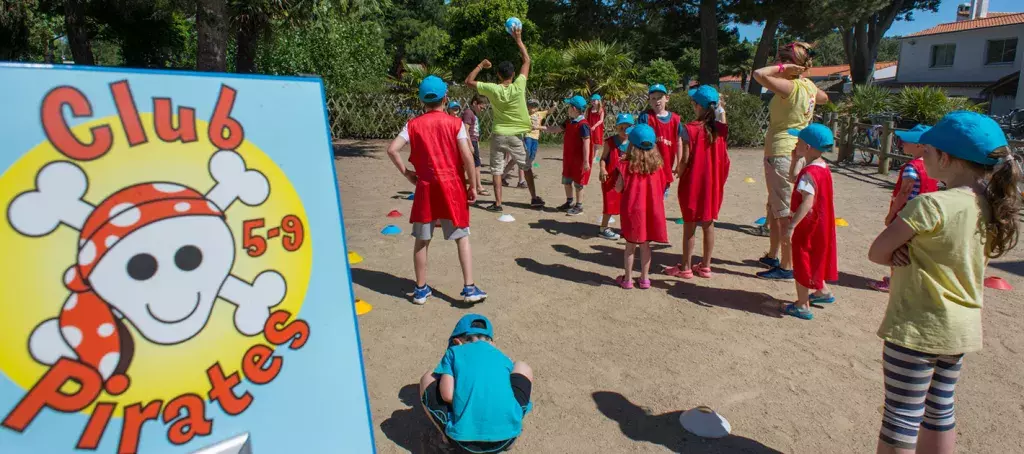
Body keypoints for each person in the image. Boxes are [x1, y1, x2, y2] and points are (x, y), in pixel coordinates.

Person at [867, 111, 1022, 454]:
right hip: (959, 330)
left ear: (946, 158)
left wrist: (899, 250)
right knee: (940, 410)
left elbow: (877, 252)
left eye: (928, 151)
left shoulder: (930, 204)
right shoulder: (991, 206)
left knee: (902, 415)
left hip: (918, 326)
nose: (923, 156)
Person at [385, 75, 487, 305]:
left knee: (422, 240)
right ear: (445, 98)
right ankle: (469, 288)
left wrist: (407, 173)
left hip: (426, 188)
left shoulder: (413, 124)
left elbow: (392, 149)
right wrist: (472, 185)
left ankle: (421, 290)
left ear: (422, 100)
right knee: (462, 237)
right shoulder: (455, 123)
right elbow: (467, 156)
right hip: (452, 188)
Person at [751, 42, 830, 282]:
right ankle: (773, 255)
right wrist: (803, 77)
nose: (777, 64)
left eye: (781, 60)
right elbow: (824, 98)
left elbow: (759, 74)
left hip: (781, 152)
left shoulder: (790, 87)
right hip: (793, 151)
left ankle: (786, 266)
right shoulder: (807, 86)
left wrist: (783, 69)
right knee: (776, 207)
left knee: (783, 211)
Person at [420, 314, 534, 453]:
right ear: (492, 344)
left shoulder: (454, 352)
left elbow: (447, 395)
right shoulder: (503, 357)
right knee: (522, 367)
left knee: (428, 377)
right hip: (505, 440)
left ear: (457, 342)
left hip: (463, 443)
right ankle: (511, 428)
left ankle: (446, 438)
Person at [465, 27, 544, 212]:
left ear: (498, 75)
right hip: (516, 136)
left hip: (499, 134)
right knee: (526, 166)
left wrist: (480, 65)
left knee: (497, 169)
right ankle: (534, 198)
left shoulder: (493, 89)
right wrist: (518, 39)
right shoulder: (519, 85)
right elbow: (527, 60)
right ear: (513, 75)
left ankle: (498, 203)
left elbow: (468, 81)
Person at [666, 85, 730, 279]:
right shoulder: (720, 130)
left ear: (697, 106)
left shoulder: (690, 129)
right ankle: (706, 266)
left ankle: (686, 267)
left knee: (689, 227)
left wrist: (679, 171)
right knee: (708, 224)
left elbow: (685, 158)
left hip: (693, 184)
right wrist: (720, 110)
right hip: (712, 186)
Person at [869, 124, 940, 292]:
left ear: (919, 145)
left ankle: (895, 282)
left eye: (907, 141)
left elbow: (904, 192)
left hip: (907, 214)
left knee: (897, 248)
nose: (902, 143)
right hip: (925, 213)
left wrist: (892, 214)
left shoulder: (911, 167)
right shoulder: (931, 167)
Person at [780, 124, 837, 320]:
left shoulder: (809, 173)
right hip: (821, 223)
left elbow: (807, 201)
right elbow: (793, 178)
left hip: (808, 226)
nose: (796, 144)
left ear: (808, 147)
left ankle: (802, 304)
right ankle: (822, 291)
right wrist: (795, 159)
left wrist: (791, 226)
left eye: (799, 142)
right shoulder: (821, 167)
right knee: (816, 257)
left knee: (802, 260)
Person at [614, 124, 667, 289]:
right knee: (646, 246)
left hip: (632, 210)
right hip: (650, 211)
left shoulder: (625, 165)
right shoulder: (658, 166)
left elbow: (618, 188)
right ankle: (644, 279)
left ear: (632, 145)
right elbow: (662, 187)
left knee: (630, 247)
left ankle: (628, 280)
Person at [544, 95, 592, 216]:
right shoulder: (569, 121)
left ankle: (579, 206)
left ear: (574, 109)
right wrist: (541, 128)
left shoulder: (583, 125)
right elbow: (557, 129)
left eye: (569, 107)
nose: (568, 109)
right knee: (567, 180)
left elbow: (586, 142)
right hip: (569, 158)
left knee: (578, 183)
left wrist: (586, 161)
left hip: (579, 160)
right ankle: (569, 202)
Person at [637, 84, 683, 194]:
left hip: (666, 167)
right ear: (649, 101)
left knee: (661, 197)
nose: (657, 101)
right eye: (653, 98)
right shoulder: (645, 117)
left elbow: (678, 142)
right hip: (647, 165)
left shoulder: (675, 119)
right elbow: (637, 139)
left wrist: (679, 163)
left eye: (659, 97)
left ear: (667, 98)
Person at [598, 113, 633, 240]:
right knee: (610, 203)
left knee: (626, 204)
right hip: (610, 178)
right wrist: (602, 169)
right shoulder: (610, 142)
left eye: (627, 128)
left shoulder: (633, 143)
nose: (624, 131)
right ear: (616, 128)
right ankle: (603, 228)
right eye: (621, 128)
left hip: (626, 179)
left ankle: (625, 228)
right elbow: (603, 158)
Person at [463, 95, 490, 197]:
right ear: (474, 103)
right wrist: (470, 145)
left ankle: (475, 186)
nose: (482, 110)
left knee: (476, 165)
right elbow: (465, 130)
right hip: (470, 142)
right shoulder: (468, 113)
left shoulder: (473, 114)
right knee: (474, 166)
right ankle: (478, 186)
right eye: (481, 107)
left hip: (474, 142)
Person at [525, 99, 548, 178]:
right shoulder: (525, 115)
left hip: (535, 137)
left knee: (533, 154)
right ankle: (526, 170)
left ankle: (529, 169)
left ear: (537, 107)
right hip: (528, 135)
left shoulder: (539, 114)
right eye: (531, 106)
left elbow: (549, 112)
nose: (533, 108)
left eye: (535, 106)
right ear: (528, 107)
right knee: (527, 152)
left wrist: (554, 106)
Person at [587, 94, 606, 166]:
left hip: (597, 128)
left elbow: (601, 120)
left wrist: (595, 126)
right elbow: (586, 118)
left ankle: (595, 157)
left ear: (598, 101)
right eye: (592, 100)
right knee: (589, 142)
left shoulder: (601, 110)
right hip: (590, 127)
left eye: (594, 100)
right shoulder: (589, 110)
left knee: (596, 143)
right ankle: (590, 156)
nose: (593, 102)